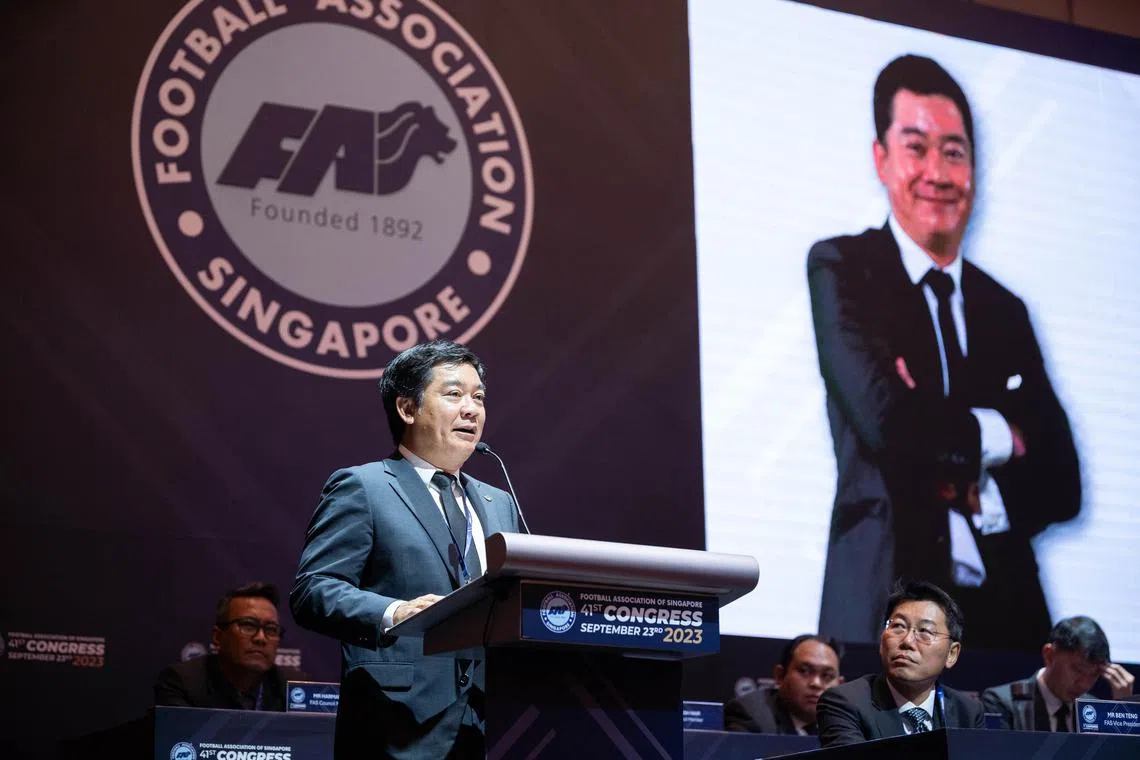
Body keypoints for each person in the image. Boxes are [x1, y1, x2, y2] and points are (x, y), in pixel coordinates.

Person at [807, 53, 1080, 651]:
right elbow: (890, 429)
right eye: (916, 147)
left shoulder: (1005, 309)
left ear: (976, 170)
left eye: (954, 152)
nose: (937, 171)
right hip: (881, 615)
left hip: (1006, 627)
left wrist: (946, 442)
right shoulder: (843, 269)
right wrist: (1006, 436)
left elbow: (1063, 481)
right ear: (880, 158)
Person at [291, 340, 519, 759]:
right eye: (454, 394)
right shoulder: (365, 487)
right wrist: (394, 612)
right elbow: (313, 590)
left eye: (479, 397)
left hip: (494, 722)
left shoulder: (498, 501)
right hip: (399, 723)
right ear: (407, 408)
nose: (472, 409)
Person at [816, 581, 984, 746]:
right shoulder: (845, 703)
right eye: (898, 626)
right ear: (882, 641)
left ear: (951, 654)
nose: (907, 641)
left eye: (925, 631)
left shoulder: (968, 712)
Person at [154, 582, 306, 710]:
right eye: (248, 625)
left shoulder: (295, 687)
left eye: (271, 629)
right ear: (218, 636)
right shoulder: (184, 684)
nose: (261, 638)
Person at [981, 615, 1135, 731]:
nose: (1084, 684)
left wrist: (1123, 711)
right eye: (1077, 669)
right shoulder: (1001, 702)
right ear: (1049, 655)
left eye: (1094, 674)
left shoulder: (1092, 708)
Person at [725, 634, 842, 735]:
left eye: (827, 676)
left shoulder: (846, 725)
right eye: (804, 671)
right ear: (780, 675)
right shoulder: (751, 716)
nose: (816, 683)